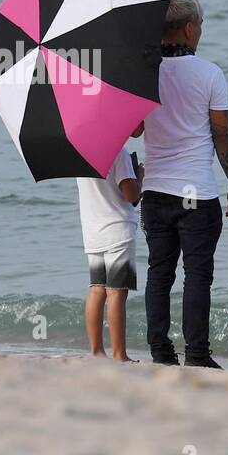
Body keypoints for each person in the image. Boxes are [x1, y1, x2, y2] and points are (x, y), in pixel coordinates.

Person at [138, 0, 228, 368]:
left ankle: (160, 351)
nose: (201, 31)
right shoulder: (210, 73)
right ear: (188, 28)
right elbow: (222, 133)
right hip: (196, 192)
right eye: (200, 25)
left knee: (159, 273)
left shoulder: (142, 71)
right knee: (197, 275)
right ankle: (197, 354)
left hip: (154, 191)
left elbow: (134, 128)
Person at [76, 145, 142, 361]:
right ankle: (119, 354)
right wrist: (140, 176)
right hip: (117, 231)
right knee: (116, 292)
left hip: (93, 233)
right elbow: (131, 194)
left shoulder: (81, 154)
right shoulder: (118, 153)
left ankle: (96, 351)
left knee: (96, 290)